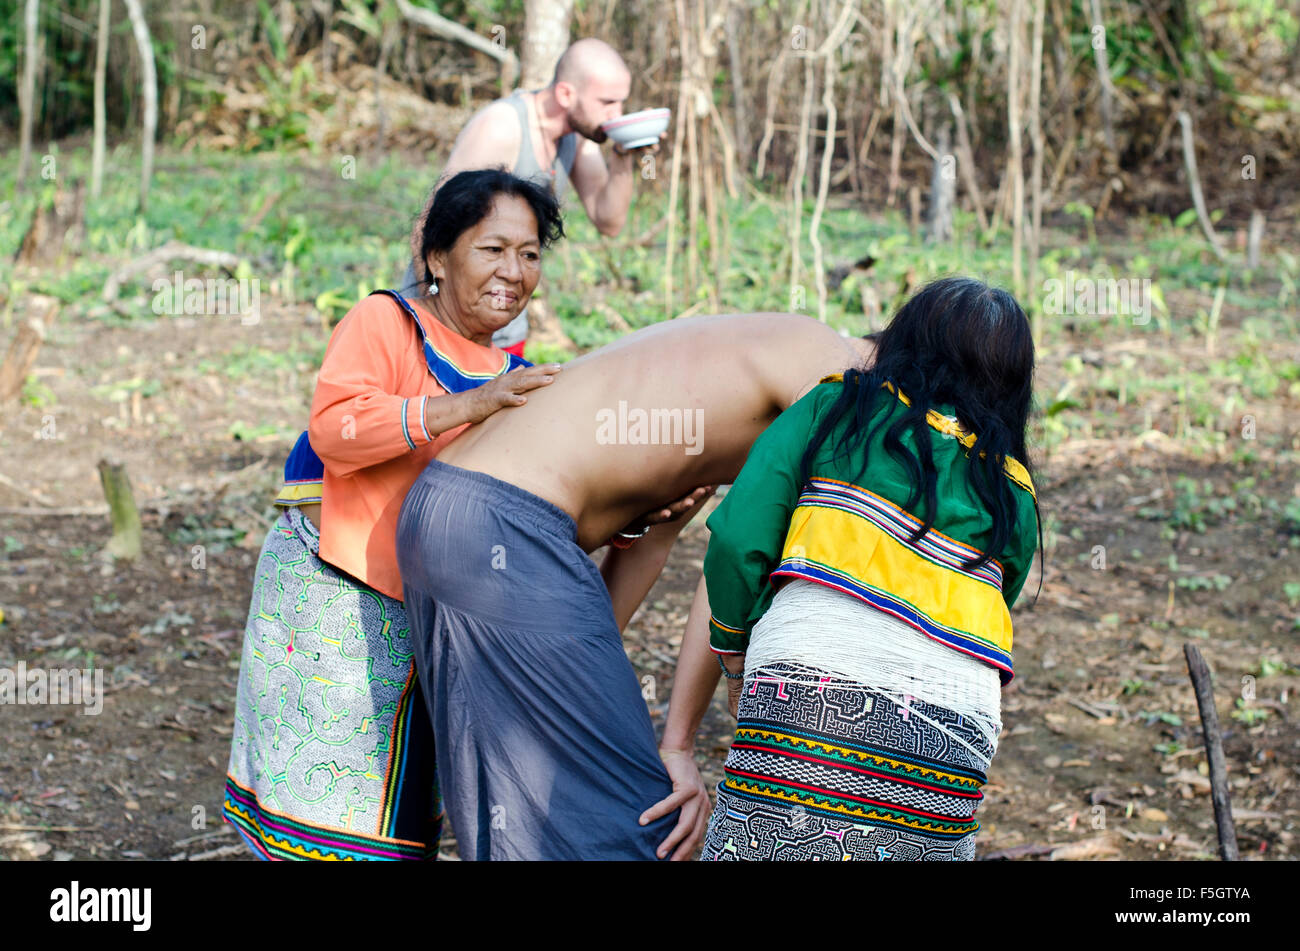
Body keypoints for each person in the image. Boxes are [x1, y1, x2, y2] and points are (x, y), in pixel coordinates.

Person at [394, 310, 875, 860]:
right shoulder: (835, 372)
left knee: (525, 811)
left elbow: (657, 542)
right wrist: (693, 729)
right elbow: (738, 554)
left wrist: (663, 732)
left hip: (448, 512)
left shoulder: (731, 366)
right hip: (507, 528)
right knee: (637, 825)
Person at [223, 169, 566, 860]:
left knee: (401, 811)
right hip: (333, 600)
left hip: (431, 617)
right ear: (438, 257)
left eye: (529, 254)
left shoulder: (514, 368)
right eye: (492, 248)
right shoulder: (386, 321)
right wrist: (465, 407)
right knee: (330, 813)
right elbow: (336, 428)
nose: (515, 271)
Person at [662, 277, 1043, 861]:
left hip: (807, 697)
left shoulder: (834, 406)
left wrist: (736, 656)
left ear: (902, 342)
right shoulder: (1012, 489)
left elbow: (739, 539)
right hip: (953, 739)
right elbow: (993, 605)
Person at [402, 37, 660, 355]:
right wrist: (436, 327)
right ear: (566, 94)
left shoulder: (577, 138)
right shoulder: (502, 128)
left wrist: (624, 151)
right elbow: (429, 228)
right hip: (447, 327)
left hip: (504, 325)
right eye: (608, 103)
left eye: (621, 103)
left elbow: (609, 221)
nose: (617, 113)